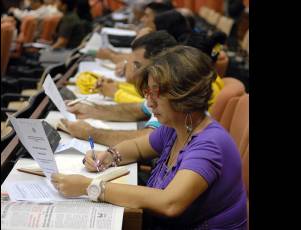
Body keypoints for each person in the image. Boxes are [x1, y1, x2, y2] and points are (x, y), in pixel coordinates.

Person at [51, 46, 247, 229]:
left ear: (183, 97)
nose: (149, 103)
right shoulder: (178, 125)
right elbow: (137, 147)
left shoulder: (209, 145)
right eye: (148, 92)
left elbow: (169, 202)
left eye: (155, 94)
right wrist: (110, 156)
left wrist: (90, 187)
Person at [61, 31, 178, 146]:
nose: (131, 69)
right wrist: (90, 110)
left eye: (137, 65)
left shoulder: (171, 92)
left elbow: (150, 139)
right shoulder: (157, 90)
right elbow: (140, 109)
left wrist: (90, 133)